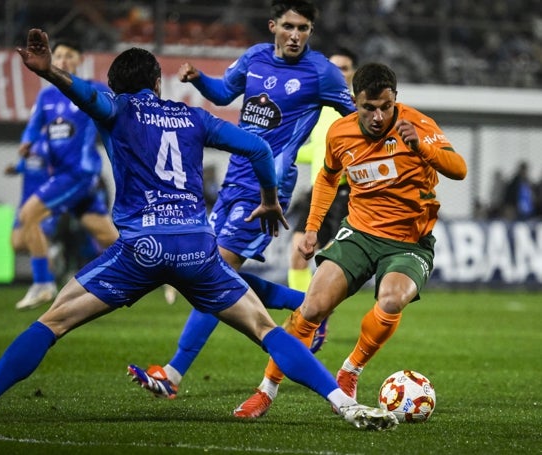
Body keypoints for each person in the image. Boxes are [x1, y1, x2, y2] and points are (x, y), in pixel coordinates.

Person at [0, 29, 397, 431]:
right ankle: (346, 403)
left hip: (141, 249)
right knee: (266, 331)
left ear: (117, 87)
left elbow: (82, 94)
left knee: (52, 321)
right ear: (155, 81)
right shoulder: (190, 116)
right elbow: (254, 146)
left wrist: (47, 71)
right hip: (195, 246)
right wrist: (270, 200)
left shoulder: (116, 108)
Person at [127, 0, 356, 399]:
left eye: (303, 28)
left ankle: (173, 373)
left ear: (311, 32)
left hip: (267, 189)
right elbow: (223, 92)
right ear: (273, 25)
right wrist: (199, 80)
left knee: (209, 273)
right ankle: (310, 307)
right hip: (235, 180)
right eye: (288, 26)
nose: (295, 35)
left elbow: (355, 116)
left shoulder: (322, 72)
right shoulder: (253, 58)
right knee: (210, 274)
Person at [232, 62, 468, 418]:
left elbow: (459, 168)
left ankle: (351, 369)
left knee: (391, 299)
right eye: (367, 107)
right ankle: (266, 390)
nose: (377, 116)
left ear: (395, 101)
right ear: (355, 101)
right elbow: (328, 178)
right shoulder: (340, 132)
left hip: (409, 241)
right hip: (358, 233)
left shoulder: (417, 125)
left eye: (385, 107)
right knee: (311, 308)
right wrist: (312, 228)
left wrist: (422, 148)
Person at [14, 37, 119, 311]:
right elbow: (34, 126)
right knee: (108, 237)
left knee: (28, 215)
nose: (63, 60)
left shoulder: (90, 91)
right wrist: (27, 141)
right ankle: (159, 271)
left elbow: (114, 113)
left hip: (78, 175)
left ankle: (43, 283)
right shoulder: (46, 97)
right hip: (62, 176)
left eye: (69, 56)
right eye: (59, 55)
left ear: (80, 60)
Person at [287, 47, 357, 350]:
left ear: (353, 72)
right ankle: (304, 315)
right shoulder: (319, 106)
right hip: (318, 190)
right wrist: (283, 153)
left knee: (329, 260)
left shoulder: (355, 108)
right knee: (297, 254)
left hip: (345, 192)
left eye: (345, 68)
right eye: (335, 67)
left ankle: (318, 317)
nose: (340, 72)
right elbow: (313, 150)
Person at [4, 136, 64, 277]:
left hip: (43, 203)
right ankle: (52, 251)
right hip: (25, 204)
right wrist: (13, 169)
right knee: (17, 243)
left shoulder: (52, 145)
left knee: (40, 239)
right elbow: (22, 166)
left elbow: (61, 171)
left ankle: (47, 283)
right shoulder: (29, 146)